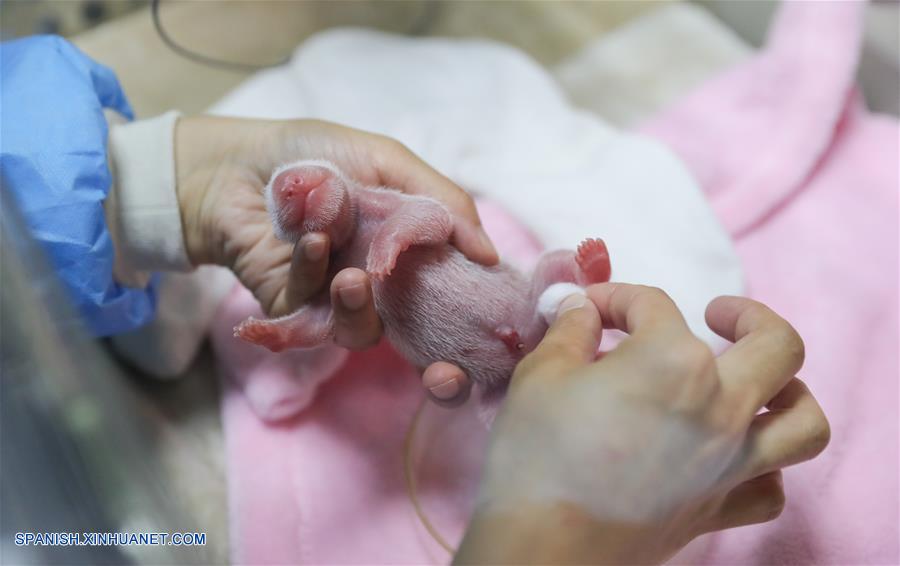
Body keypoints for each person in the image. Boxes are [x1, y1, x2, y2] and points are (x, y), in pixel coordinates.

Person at [1, 36, 829, 564]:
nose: (297, 202)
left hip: (523, 309)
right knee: (469, 396)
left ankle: (580, 269)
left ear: (340, 186)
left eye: (300, 191)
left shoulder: (385, 212)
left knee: (548, 286)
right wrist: (287, 334)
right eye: (292, 207)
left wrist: (176, 187)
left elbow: (434, 216)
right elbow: (328, 321)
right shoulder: (328, 260)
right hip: (491, 370)